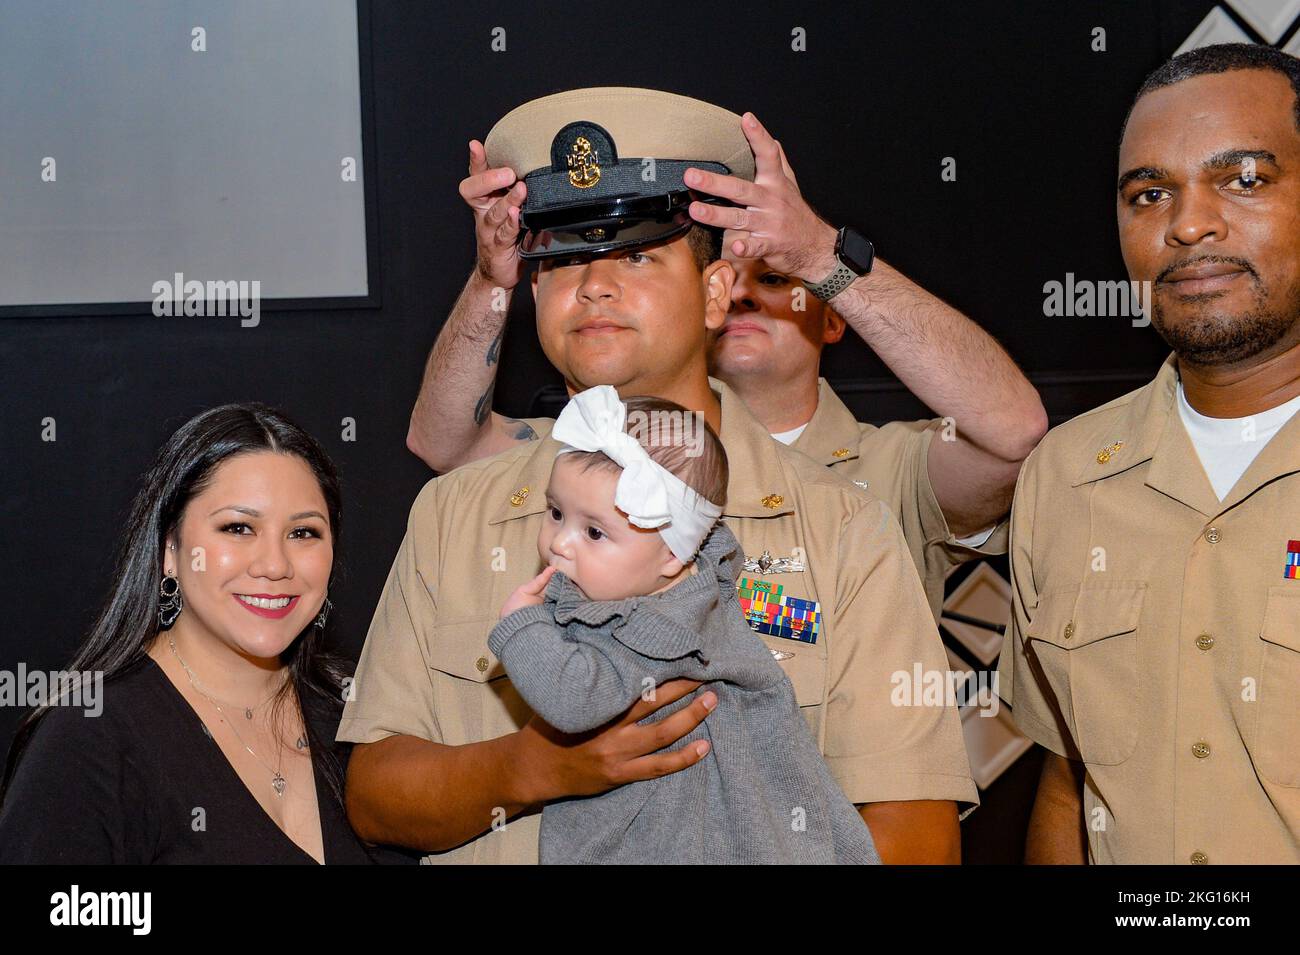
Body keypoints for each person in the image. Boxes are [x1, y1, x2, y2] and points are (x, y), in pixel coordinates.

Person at [339, 87, 977, 865]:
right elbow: (374, 792)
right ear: (533, 288)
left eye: (636, 253)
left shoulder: (845, 529)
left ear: (715, 292)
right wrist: (529, 768)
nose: (594, 284)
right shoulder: (453, 514)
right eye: (567, 257)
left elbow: (914, 833)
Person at [406, 99, 1047, 623]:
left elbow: (1011, 431)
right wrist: (494, 281)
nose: (742, 295)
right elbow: (443, 442)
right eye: (573, 259)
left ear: (831, 314)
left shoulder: (872, 484)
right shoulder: (580, 455)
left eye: (774, 279)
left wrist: (824, 257)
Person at [998, 44, 1300, 864]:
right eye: (1151, 193)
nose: (1187, 223)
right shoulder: (1065, 474)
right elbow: (1067, 782)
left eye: (1244, 179)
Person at [0, 404, 415, 864]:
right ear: (169, 550)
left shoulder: (358, 714)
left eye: (303, 533)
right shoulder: (90, 738)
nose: (275, 565)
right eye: (238, 528)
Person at [488, 387, 879, 864]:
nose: (560, 543)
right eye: (555, 513)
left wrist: (521, 626)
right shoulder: (695, 581)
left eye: (594, 531)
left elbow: (575, 700)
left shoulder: (657, 630)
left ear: (673, 554)